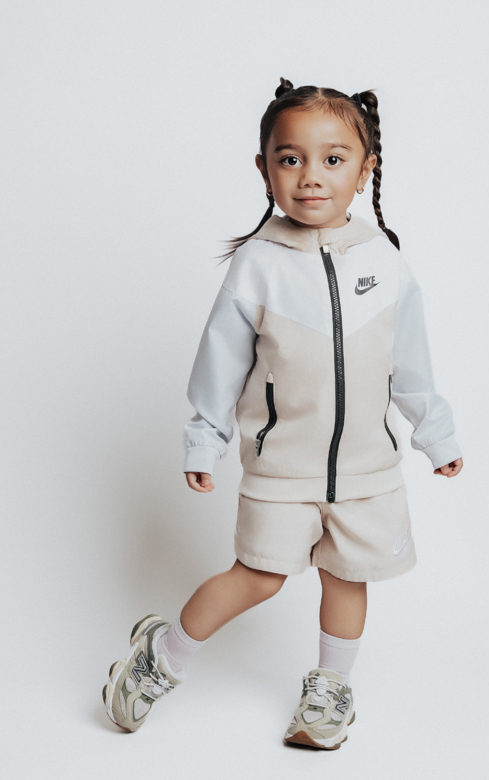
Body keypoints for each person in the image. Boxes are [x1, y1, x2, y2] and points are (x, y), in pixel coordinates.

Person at [102, 77, 463, 750]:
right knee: (259, 577)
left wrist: (435, 434)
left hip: (368, 470)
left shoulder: (385, 262)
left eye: (333, 158)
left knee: (348, 578)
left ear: (365, 168)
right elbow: (219, 364)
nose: (311, 176)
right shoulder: (256, 266)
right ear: (264, 168)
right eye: (290, 158)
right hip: (281, 468)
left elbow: (408, 362)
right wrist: (204, 440)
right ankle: (161, 656)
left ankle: (330, 693)